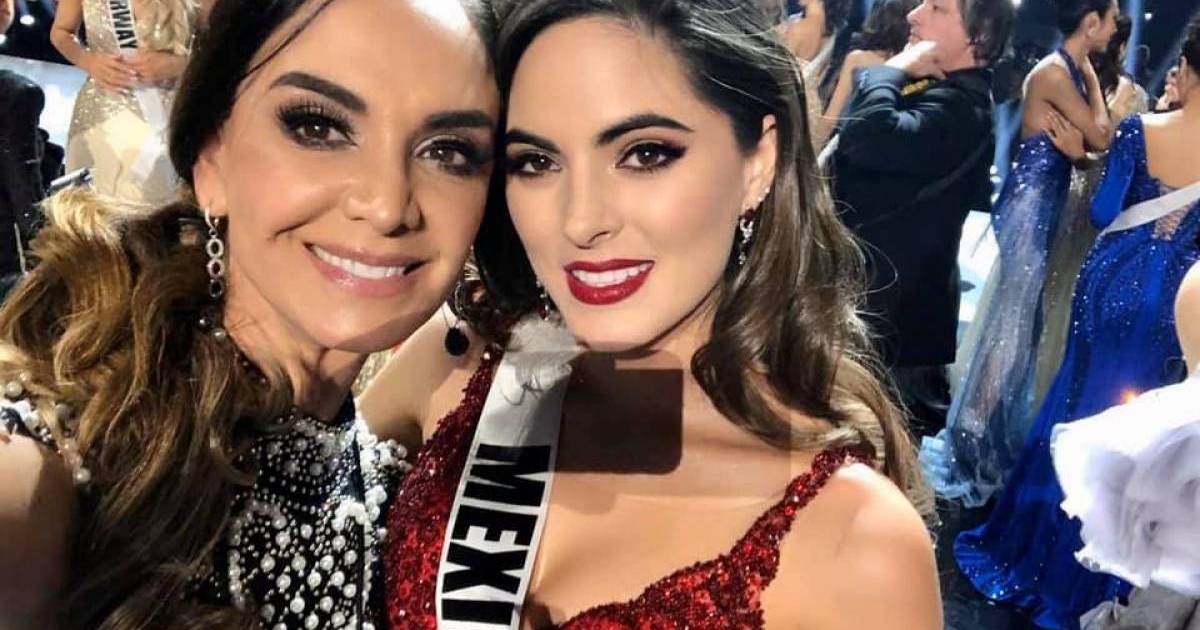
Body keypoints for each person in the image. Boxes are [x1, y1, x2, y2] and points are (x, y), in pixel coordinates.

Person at [363, 1, 940, 628]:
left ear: (759, 163)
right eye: (536, 162)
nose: (581, 220)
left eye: (644, 154)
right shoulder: (461, 360)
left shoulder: (858, 544)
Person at [0, 0, 499, 627]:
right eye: (318, 126)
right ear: (210, 160)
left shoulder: (392, 487)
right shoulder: (66, 446)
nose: (387, 204)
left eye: (449, 151)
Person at [956, 16, 1200, 629]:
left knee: (1073, 404)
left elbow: (1104, 209)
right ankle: (1103, 575)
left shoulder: (1142, 131)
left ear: (1189, 71)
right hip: (1178, 302)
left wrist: (1083, 156)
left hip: (1111, 281)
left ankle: (1034, 550)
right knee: (1141, 434)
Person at [921, 0, 1117, 508]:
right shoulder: (1056, 73)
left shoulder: (1068, 69)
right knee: (1009, 325)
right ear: (1090, 22)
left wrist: (1084, 138)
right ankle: (971, 442)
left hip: (1044, 206)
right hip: (1030, 206)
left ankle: (983, 435)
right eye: (1111, 16)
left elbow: (1092, 148)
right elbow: (1102, 135)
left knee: (1021, 326)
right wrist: (1092, 89)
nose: (1116, 26)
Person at [828, 0, 1014, 437]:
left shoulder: (963, 107)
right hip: (878, 313)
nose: (914, 15)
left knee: (863, 453)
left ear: (979, 36)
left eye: (937, 8)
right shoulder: (940, 90)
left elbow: (868, 137)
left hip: (889, 330)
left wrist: (890, 70)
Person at [1033, 12, 1149, 411]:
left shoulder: (1098, 89)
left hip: (1078, 207)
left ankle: (1036, 401)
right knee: (1055, 301)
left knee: (1055, 302)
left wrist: (1080, 156)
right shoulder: (1088, 85)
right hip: (1078, 205)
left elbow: (1113, 158)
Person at [50, 0, 205, 204]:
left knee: (149, 209)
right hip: (99, 114)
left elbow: (224, 48)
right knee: (87, 208)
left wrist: (179, 65)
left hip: (165, 117)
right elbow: (61, 33)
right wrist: (88, 61)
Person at [813, 0, 919, 149]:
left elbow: (831, 119)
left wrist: (809, 154)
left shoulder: (858, 59)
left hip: (849, 147)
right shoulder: (918, 67)